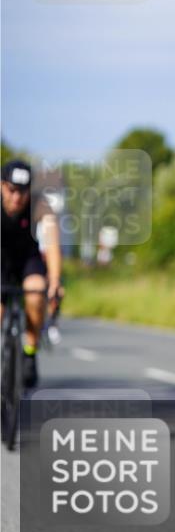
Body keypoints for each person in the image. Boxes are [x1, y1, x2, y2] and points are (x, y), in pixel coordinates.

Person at [1, 160, 62, 387]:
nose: (17, 198)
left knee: (36, 293)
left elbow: (53, 244)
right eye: (11, 190)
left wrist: (54, 281)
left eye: (23, 192)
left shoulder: (39, 205)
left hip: (28, 259)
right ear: (2, 185)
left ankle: (29, 350)